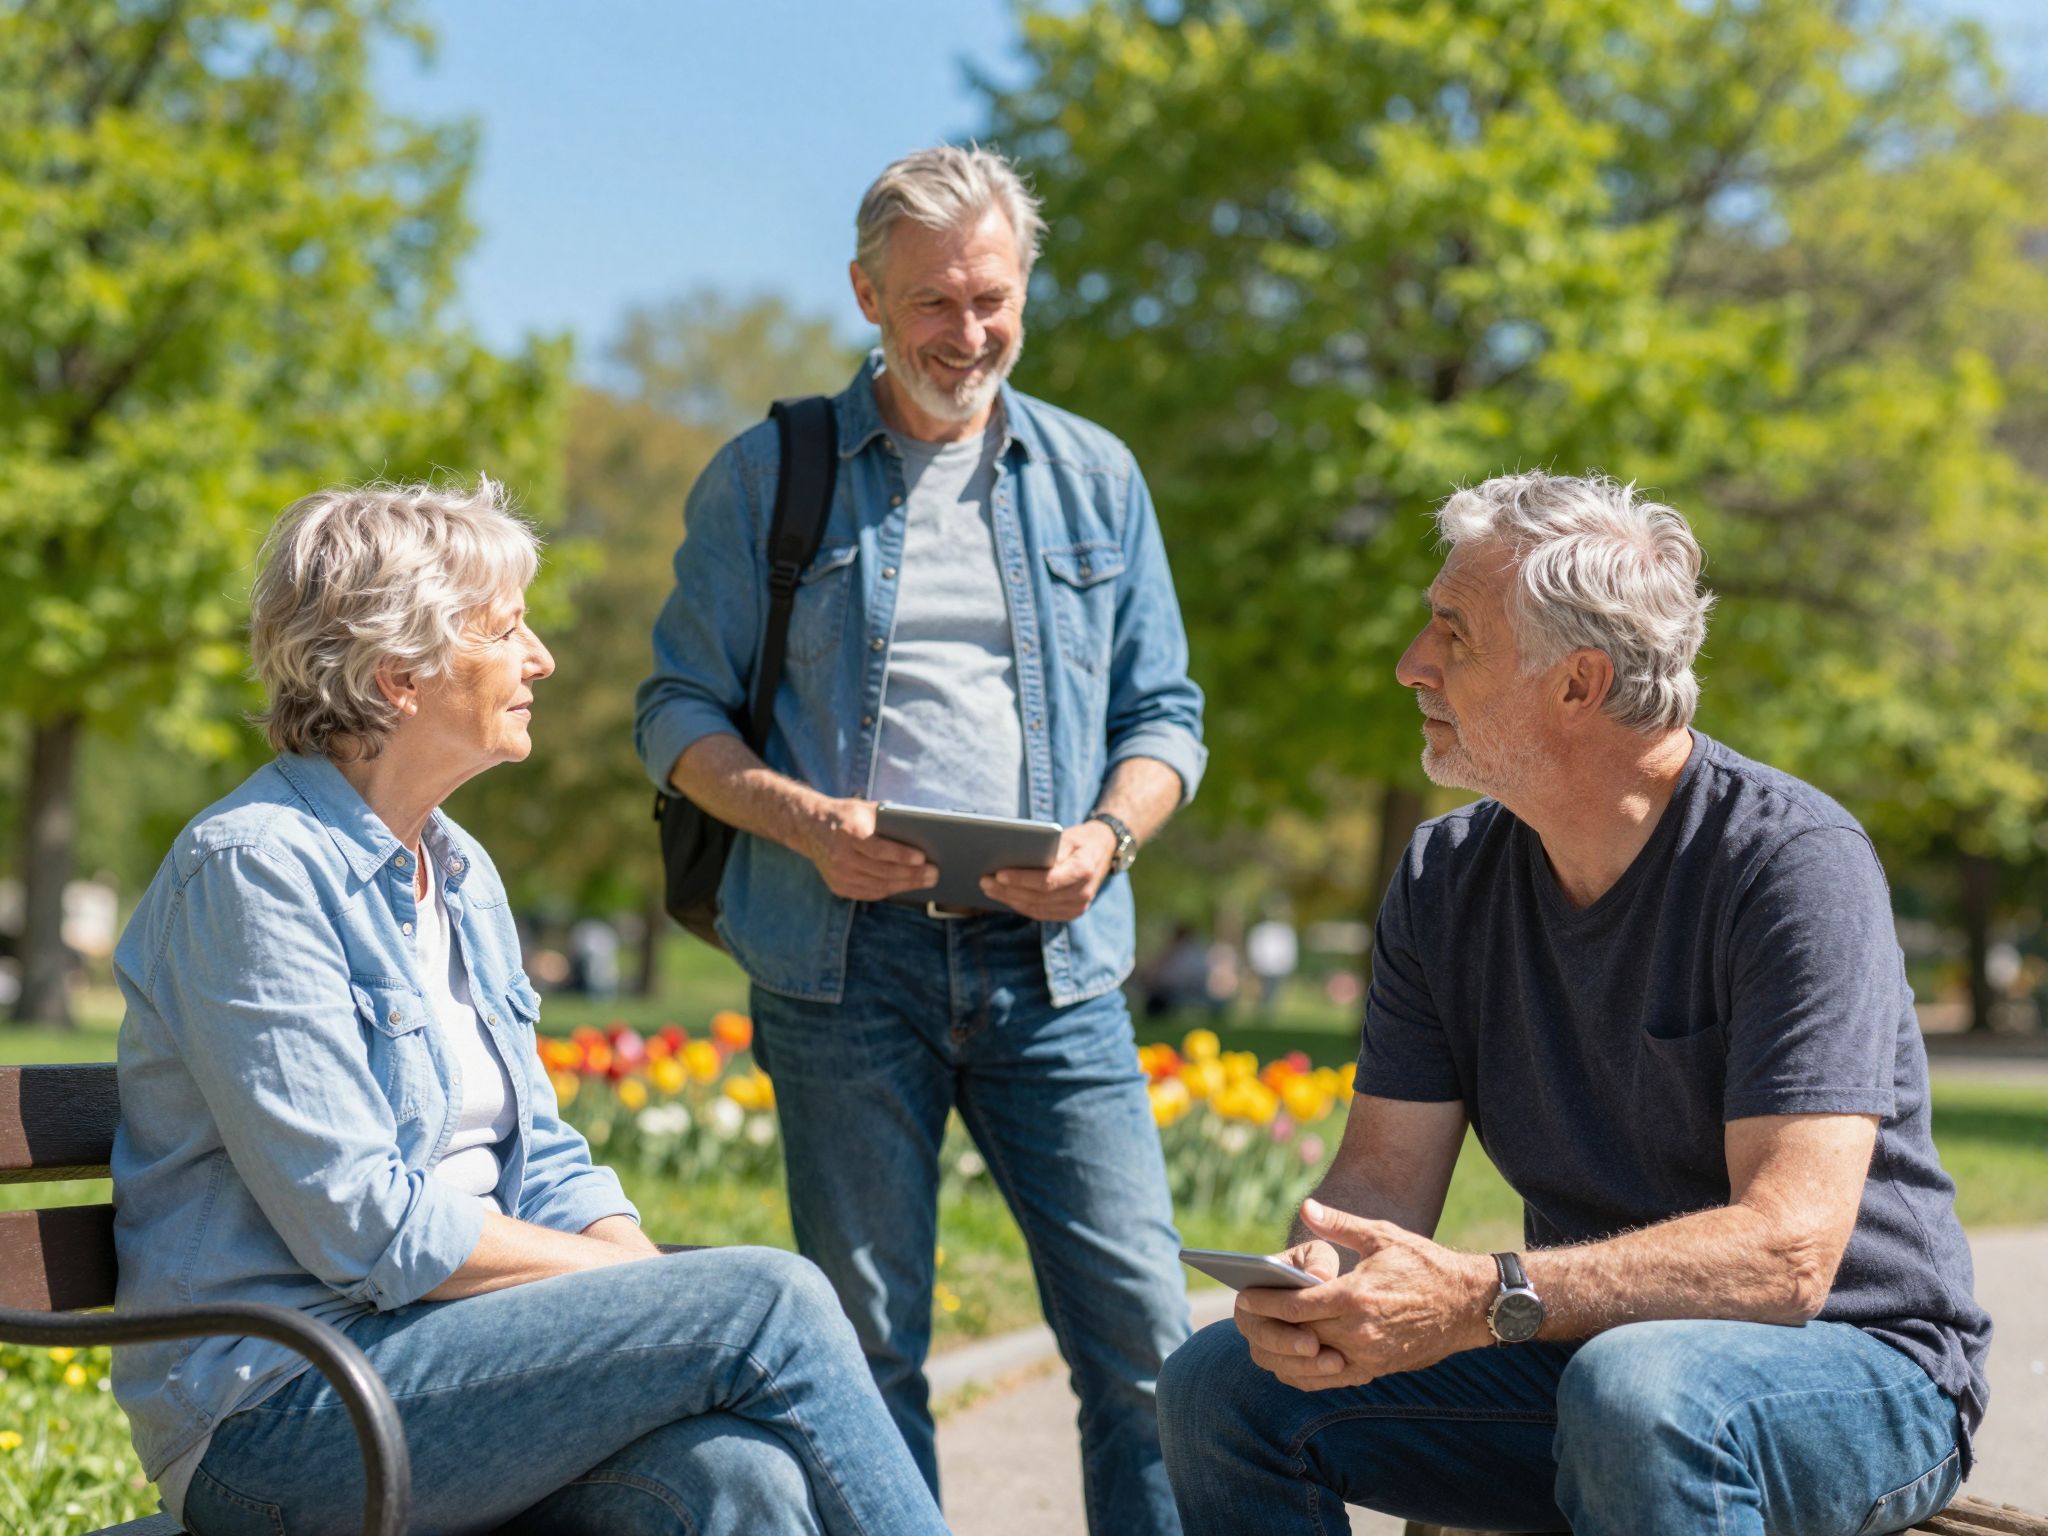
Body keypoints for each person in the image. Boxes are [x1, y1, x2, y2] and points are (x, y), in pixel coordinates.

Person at [1156, 472, 1991, 1536]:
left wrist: (1480, 1296)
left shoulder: (1789, 864)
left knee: (1639, 1396)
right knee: (1221, 1388)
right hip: (1585, 1359)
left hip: (1858, 1367)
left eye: (1452, 635)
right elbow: (1376, 1179)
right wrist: (1320, 1283)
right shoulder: (1442, 876)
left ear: (1575, 684)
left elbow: (1787, 1255)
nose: (1410, 664)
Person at [110, 482, 948, 1536]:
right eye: (507, 631)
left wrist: (643, 1294)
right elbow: (365, 1228)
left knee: (738, 1479)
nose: (541, 659)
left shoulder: (459, 872)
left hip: (452, 1372)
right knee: (770, 1298)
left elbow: (541, 1159)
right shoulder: (255, 872)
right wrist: (647, 1295)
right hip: (288, 1414)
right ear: (397, 675)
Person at [635, 145, 1205, 1533]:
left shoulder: (1095, 478)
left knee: (1148, 1346)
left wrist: (1108, 840)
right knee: (868, 1353)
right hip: (841, 967)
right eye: (935, 303)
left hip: (1053, 971)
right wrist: (804, 820)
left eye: (993, 299)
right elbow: (674, 714)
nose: (970, 333)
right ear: (867, 297)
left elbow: (1168, 717)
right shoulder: (771, 476)